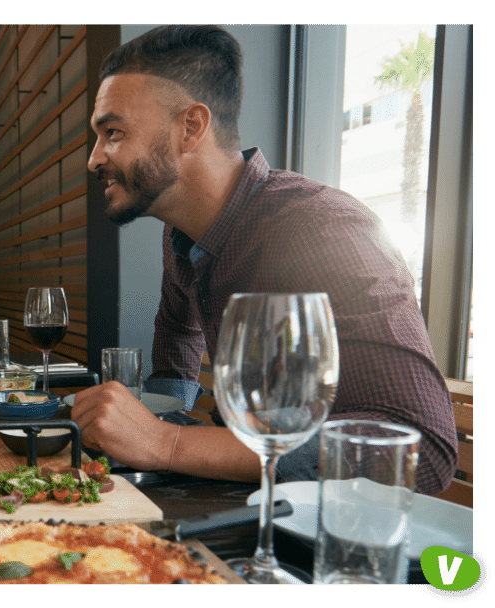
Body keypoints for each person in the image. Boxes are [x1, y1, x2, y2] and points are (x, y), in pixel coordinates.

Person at [72, 25, 457, 495]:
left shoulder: (328, 229)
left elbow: (425, 452)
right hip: (240, 504)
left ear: (190, 127)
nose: (94, 159)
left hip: (330, 543)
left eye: (113, 133)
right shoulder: (181, 232)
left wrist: (167, 443)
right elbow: (178, 330)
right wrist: (156, 421)